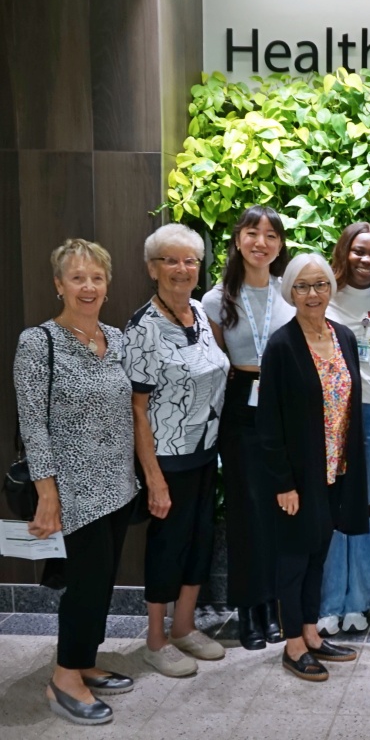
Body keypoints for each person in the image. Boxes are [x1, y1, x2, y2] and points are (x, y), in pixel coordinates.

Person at [14, 239, 139, 725]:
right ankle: (64, 675)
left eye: (97, 278)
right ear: (58, 285)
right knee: (86, 584)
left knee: (103, 580)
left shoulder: (117, 339)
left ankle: (85, 659)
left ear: (107, 285)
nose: (88, 286)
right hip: (73, 490)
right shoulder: (38, 341)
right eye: (77, 278)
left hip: (118, 485)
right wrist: (47, 494)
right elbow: (33, 422)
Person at [257, 253, 369, 682]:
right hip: (299, 476)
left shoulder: (342, 336)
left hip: (336, 469)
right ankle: (292, 644)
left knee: (318, 553)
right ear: (290, 292)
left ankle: (312, 632)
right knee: (294, 556)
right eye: (302, 287)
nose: (312, 294)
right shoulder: (282, 345)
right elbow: (269, 423)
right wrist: (283, 482)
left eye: (320, 284)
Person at [124, 224, 229, 678]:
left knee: (199, 542)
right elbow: (136, 409)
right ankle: (155, 639)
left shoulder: (200, 314)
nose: (183, 268)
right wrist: (154, 478)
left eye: (190, 260)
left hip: (205, 452)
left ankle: (184, 627)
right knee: (167, 547)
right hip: (166, 459)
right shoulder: (143, 327)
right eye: (171, 260)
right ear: (153, 268)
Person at [201, 205, 294, 650]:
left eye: (271, 235)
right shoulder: (216, 300)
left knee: (280, 509)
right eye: (253, 233)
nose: (262, 242)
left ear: (280, 245)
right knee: (245, 510)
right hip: (240, 406)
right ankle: (248, 610)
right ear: (238, 239)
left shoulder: (290, 293)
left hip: (281, 405)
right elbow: (217, 364)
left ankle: (273, 604)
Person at [317, 223, 370, 638]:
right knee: (332, 504)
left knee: (368, 505)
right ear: (344, 251)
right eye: (358, 251)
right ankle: (330, 602)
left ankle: (360, 601)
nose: (366, 260)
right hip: (330, 416)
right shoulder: (323, 294)